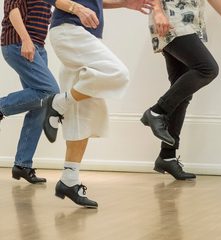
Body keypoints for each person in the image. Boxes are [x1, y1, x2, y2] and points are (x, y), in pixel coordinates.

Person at [42, 0, 152, 208]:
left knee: (81, 113)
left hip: (80, 33)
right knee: (117, 73)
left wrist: (123, 4)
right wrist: (78, 9)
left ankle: (69, 180)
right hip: (70, 30)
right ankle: (58, 102)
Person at [141, 0, 221, 180]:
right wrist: (158, 11)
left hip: (189, 23)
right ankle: (157, 112)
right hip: (171, 20)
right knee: (207, 69)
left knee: (181, 93)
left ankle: (167, 156)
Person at [0, 0, 60, 184]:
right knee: (49, 92)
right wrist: (26, 40)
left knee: (40, 106)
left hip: (37, 47)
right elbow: (12, 9)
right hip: (19, 43)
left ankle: (22, 164)